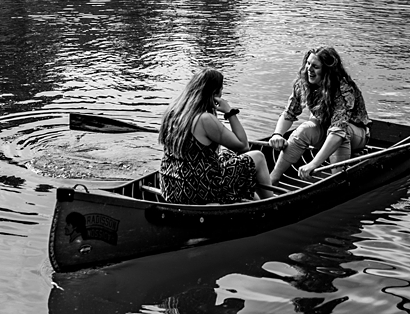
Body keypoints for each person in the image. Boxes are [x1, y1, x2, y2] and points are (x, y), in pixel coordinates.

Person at [158, 68, 271, 203]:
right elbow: (243, 145)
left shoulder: (172, 111)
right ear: (214, 93)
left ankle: (253, 200)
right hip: (196, 189)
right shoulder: (204, 119)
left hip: (170, 187)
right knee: (257, 157)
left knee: (228, 155)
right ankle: (273, 204)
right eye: (221, 90)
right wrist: (229, 112)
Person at [268, 46, 370, 181]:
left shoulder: (343, 89)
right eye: (308, 63)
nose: (309, 69)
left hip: (356, 134)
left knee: (341, 134)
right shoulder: (303, 83)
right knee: (304, 129)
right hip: (326, 130)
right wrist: (277, 134)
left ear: (327, 71)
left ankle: (336, 182)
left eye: (315, 66)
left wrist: (313, 164)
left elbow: (337, 131)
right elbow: (289, 113)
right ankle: (273, 178)